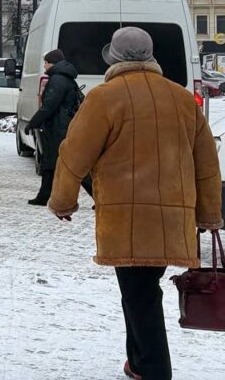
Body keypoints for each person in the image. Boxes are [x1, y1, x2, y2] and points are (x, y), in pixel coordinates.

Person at [49, 27, 223, 380]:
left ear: (113, 58)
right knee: (139, 290)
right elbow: (206, 162)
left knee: (140, 294)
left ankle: (155, 370)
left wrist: (63, 201)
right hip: (171, 218)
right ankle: (138, 363)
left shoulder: (103, 98)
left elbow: (74, 154)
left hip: (125, 218)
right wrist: (208, 214)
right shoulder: (181, 99)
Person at [23, 49, 81, 206]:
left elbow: (49, 106)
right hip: (60, 126)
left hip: (58, 127)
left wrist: (33, 123)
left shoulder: (58, 80)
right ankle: (43, 196)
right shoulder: (64, 78)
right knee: (50, 163)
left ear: (52, 63)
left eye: (46, 63)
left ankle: (98, 196)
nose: (44, 66)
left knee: (68, 164)